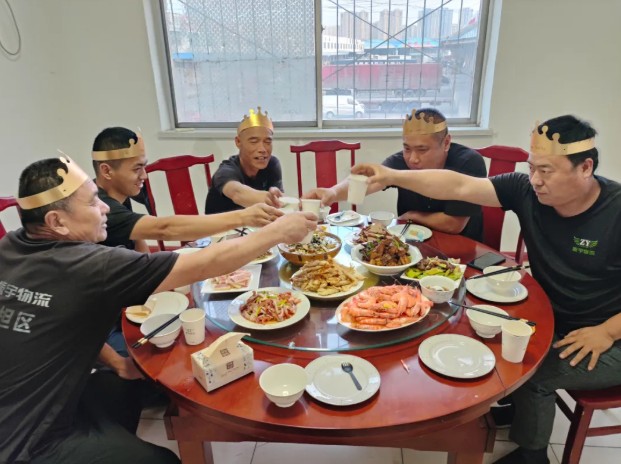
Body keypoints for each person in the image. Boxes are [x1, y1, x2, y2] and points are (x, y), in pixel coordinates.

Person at [0, 155, 315, 464]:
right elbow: (206, 263)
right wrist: (278, 231)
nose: (105, 207)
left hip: (30, 408)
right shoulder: (90, 265)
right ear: (57, 222)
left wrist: (116, 362)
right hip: (26, 445)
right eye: (94, 202)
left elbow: (67, 318)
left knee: (122, 383)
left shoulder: (9, 247)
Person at [351, 114, 621, 464]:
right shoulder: (526, 191)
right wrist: (391, 175)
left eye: (547, 171)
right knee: (478, 333)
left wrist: (607, 331)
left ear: (585, 167)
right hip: (553, 317)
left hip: (608, 333)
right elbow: (458, 186)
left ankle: (533, 456)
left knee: (535, 372)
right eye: (532, 168)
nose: (536, 180)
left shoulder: (615, 210)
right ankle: (517, 409)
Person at [92, 126, 284, 372]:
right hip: (105, 327)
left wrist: (151, 283)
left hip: (130, 304)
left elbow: (138, 239)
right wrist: (244, 216)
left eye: (144, 166)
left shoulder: (118, 195)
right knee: (170, 361)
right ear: (106, 170)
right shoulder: (101, 210)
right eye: (137, 168)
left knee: (194, 338)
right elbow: (164, 228)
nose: (144, 175)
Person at [302, 108, 486, 240]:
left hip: (460, 247)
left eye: (422, 150)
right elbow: (371, 181)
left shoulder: (468, 163)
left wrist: (412, 215)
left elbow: (453, 224)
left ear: (446, 143)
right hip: (412, 241)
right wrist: (333, 192)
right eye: (407, 148)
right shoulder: (400, 161)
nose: (413, 159)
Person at [204, 107, 284, 214]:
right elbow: (237, 193)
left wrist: (277, 195)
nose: (262, 149)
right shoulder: (226, 171)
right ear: (238, 142)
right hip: (223, 224)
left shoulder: (272, 164)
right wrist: (269, 198)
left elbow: (279, 202)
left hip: (258, 223)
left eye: (267, 142)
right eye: (254, 141)